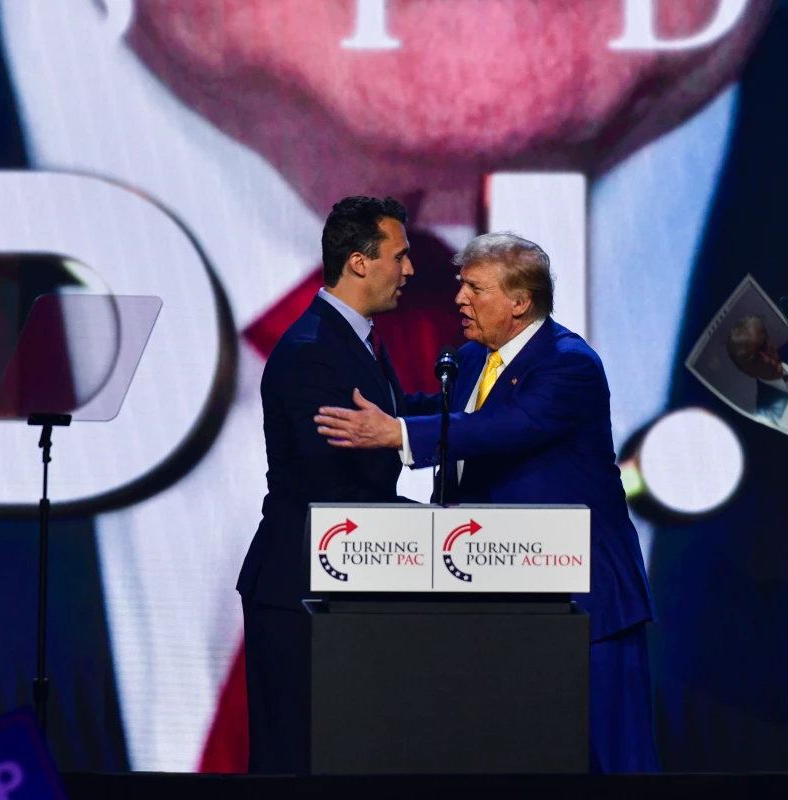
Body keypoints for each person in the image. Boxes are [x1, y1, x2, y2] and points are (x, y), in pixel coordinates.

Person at [313, 232, 658, 773]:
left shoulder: (569, 365)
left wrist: (398, 434)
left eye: (474, 288)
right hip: (503, 601)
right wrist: (367, 399)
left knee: (612, 761)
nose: (459, 299)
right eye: (460, 286)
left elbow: (505, 428)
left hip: (585, 601)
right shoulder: (474, 358)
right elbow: (444, 413)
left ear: (519, 302)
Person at [238, 196, 439, 774]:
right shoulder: (311, 352)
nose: (409, 271)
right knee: (297, 764)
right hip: (302, 587)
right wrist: (436, 529)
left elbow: (388, 425)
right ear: (358, 261)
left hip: (343, 584)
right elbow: (333, 476)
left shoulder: (353, 342)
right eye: (399, 257)